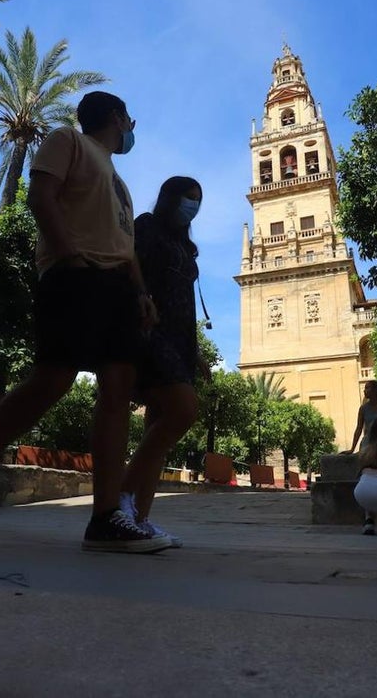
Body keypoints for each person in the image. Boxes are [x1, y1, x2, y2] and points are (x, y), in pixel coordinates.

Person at [0, 91, 171, 553]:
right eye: (130, 119)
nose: (132, 129)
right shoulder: (68, 140)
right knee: (54, 379)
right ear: (116, 117)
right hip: (73, 275)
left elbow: (124, 245)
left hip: (119, 289)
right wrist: (69, 256)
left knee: (117, 389)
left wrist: (141, 293)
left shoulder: (120, 183)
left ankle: (105, 518)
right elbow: (40, 196)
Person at [118, 176, 211, 549]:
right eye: (188, 197)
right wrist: (141, 296)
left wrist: (197, 352)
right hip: (152, 330)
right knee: (183, 411)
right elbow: (130, 264)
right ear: (170, 197)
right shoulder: (147, 226)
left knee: (158, 430)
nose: (193, 205)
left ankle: (139, 519)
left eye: (198, 200)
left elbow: (185, 300)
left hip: (181, 339)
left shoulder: (186, 246)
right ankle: (121, 498)